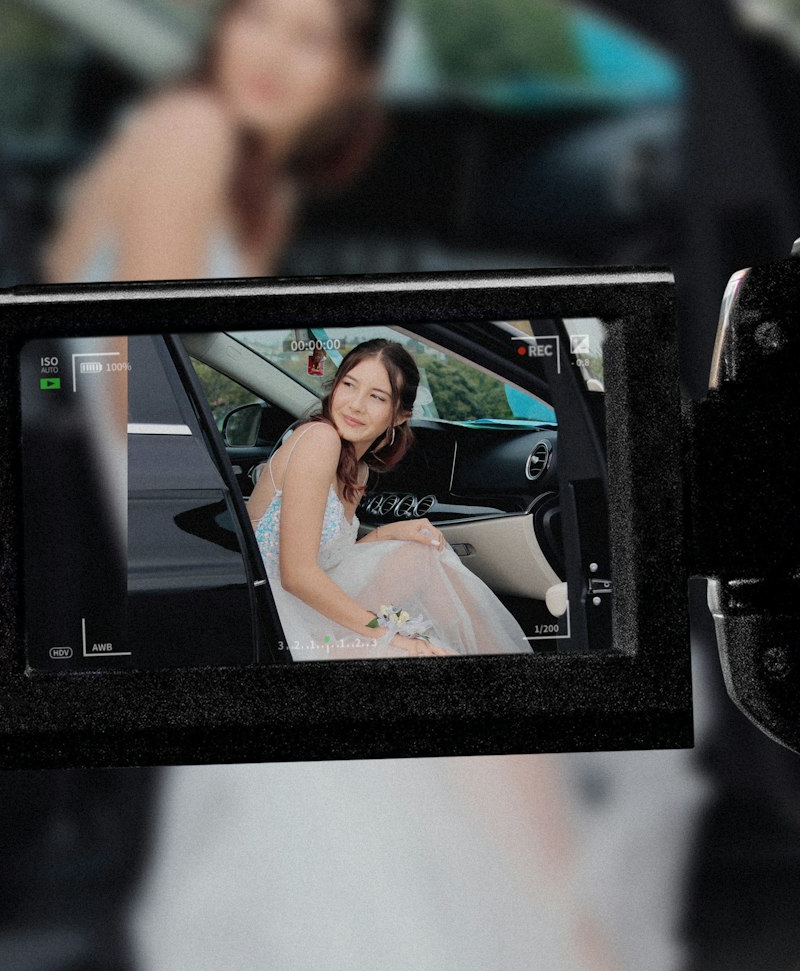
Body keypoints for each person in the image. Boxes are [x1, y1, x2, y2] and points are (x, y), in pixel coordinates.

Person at [42, 0, 391, 284]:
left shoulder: (274, 193)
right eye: (258, 15)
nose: (271, 55)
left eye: (310, 39)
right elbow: (138, 349)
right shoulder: (193, 129)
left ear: (353, 76)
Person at [247, 338, 532, 658]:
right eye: (349, 385)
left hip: (309, 613)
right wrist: (390, 636)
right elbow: (297, 574)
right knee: (414, 652)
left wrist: (388, 532)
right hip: (274, 624)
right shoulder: (318, 438)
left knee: (418, 551)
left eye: (376, 397)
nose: (356, 404)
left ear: (399, 415)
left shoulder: (359, 471)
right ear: (335, 387)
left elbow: (324, 556)